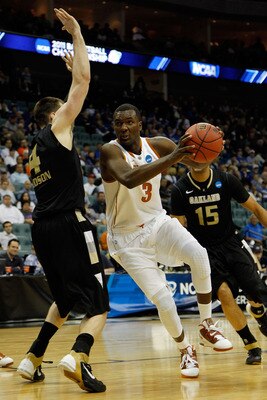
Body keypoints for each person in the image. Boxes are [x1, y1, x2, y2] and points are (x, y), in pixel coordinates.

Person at [100, 103, 232, 379]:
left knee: (198, 253)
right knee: (163, 299)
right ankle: (185, 349)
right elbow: (128, 179)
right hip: (126, 239)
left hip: (157, 223)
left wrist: (215, 142)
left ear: (140, 124)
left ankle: (207, 323)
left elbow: (197, 161)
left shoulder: (158, 144)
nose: (123, 128)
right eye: (118, 123)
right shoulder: (110, 151)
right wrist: (172, 158)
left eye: (128, 122)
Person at [17, 8, 109, 393]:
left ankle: (32, 358)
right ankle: (78, 355)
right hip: (70, 224)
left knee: (65, 300)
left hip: (44, 229)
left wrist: (73, 74)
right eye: (65, 111)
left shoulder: (32, 151)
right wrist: (76, 34)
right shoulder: (58, 129)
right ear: (54, 116)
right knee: (100, 303)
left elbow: (78, 84)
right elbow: (84, 82)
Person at [171, 160, 267, 365]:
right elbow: (177, 229)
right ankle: (251, 345)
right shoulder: (179, 189)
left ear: (210, 155)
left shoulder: (225, 180)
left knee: (255, 290)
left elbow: (256, 208)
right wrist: (184, 255)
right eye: (192, 155)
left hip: (231, 242)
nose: (197, 160)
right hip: (204, 251)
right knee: (224, 294)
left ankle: (258, 311)